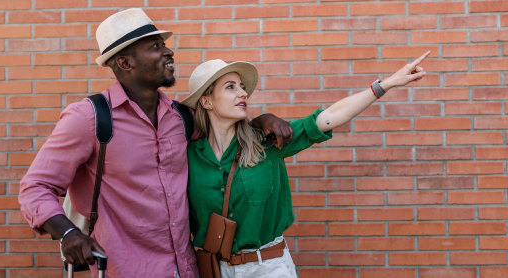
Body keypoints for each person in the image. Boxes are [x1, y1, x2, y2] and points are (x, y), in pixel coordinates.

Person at [18, 8, 292, 278]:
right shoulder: (88, 119)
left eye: (164, 44)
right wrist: (68, 233)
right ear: (126, 63)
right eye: (155, 46)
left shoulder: (183, 118)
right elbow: (35, 187)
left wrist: (261, 120)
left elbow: (224, 125)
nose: (168, 52)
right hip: (126, 270)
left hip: (186, 269)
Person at [181, 53, 429, 278]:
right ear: (207, 102)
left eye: (243, 87)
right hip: (214, 271)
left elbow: (329, 117)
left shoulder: (267, 142)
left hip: (267, 268)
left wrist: (386, 84)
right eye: (230, 87)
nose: (243, 93)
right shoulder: (187, 156)